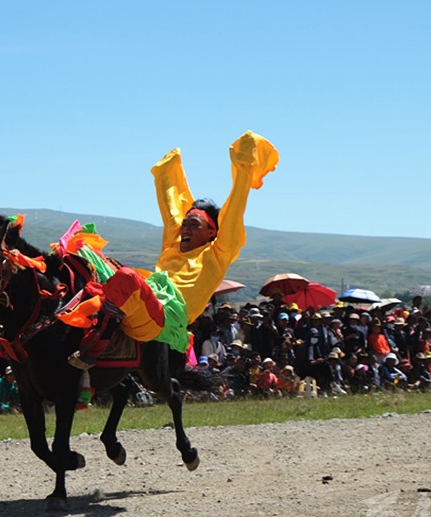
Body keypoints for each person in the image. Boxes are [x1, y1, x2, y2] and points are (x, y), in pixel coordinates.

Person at [67, 131, 279, 369]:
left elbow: (234, 211)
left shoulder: (218, 253)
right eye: (184, 224)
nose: (184, 229)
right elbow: (171, 210)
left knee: (126, 277)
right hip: (145, 298)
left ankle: (94, 347)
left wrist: (244, 168)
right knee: (82, 250)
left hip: (165, 318)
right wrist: (167, 172)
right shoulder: (173, 247)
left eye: (193, 225)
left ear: (211, 232)